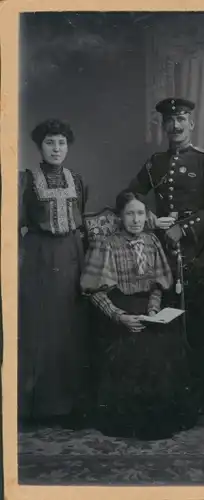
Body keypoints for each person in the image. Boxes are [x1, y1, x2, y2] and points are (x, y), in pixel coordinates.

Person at [120, 98, 204, 415]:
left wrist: (186, 229)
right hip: (164, 257)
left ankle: (200, 398)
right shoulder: (155, 163)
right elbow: (128, 197)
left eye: (181, 120)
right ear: (164, 126)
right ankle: (173, 394)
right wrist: (151, 219)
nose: (176, 126)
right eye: (170, 121)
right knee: (167, 326)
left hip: (198, 256)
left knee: (199, 327)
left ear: (191, 124)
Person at [80, 191, 197, 440]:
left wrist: (153, 310)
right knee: (136, 353)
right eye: (130, 213)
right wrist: (119, 316)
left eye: (141, 213)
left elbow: (156, 286)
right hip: (117, 312)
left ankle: (162, 418)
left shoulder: (152, 241)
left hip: (147, 311)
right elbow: (93, 292)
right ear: (121, 216)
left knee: (167, 346)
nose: (136, 219)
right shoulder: (106, 244)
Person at [18, 119, 89, 428]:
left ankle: (70, 406)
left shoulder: (78, 179)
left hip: (72, 254)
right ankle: (36, 408)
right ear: (40, 147)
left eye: (61, 142)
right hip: (38, 256)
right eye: (50, 143)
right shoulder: (26, 181)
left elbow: (81, 220)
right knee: (38, 329)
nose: (57, 148)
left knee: (71, 328)